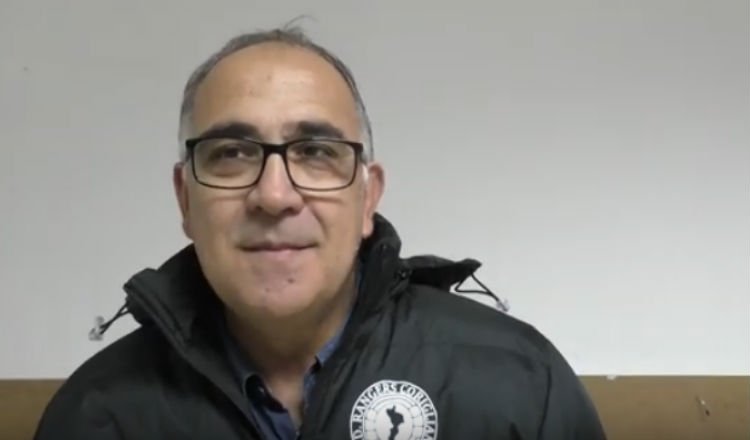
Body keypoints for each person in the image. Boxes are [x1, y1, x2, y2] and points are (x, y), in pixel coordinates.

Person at [34, 26, 607, 440]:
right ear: (186, 199)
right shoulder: (97, 415)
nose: (274, 196)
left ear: (368, 198)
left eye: (315, 152)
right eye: (232, 153)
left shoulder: (519, 384)